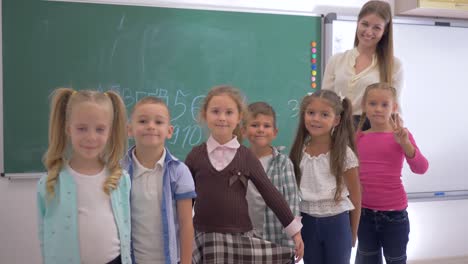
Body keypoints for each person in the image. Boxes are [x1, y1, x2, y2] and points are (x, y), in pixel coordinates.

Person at [186, 85, 304, 263]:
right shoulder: (195, 156)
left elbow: (271, 194)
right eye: (215, 111)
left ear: (239, 117)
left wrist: (294, 231)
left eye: (229, 112)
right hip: (204, 236)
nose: (222, 118)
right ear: (205, 115)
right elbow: (185, 200)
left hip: (239, 236)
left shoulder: (246, 156)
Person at [37, 88, 131, 264]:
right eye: (81, 128)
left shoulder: (121, 179)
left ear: (109, 132)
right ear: (68, 129)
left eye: (100, 129)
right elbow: (44, 234)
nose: (91, 137)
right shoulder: (50, 182)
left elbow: (126, 227)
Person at [355, 83, 429, 264]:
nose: (378, 109)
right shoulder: (358, 137)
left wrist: (405, 143)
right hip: (363, 214)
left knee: (395, 260)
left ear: (394, 107)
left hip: (394, 215)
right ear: (364, 105)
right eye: (372, 103)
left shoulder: (402, 135)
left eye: (384, 104)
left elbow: (421, 168)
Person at [289, 90, 361, 264]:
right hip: (307, 222)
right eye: (311, 113)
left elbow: (356, 196)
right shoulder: (299, 151)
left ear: (336, 120)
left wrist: (353, 232)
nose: (315, 119)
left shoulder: (343, 153)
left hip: (337, 223)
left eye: (324, 114)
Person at [121, 96, 196, 264]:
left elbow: (186, 225)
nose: (150, 126)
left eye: (158, 122)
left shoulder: (179, 171)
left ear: (169, 131)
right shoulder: (119, 171)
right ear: (129, 129)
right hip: (131, 259)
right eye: (142, 121)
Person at [322, 0, 403, 129]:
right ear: (357, 23)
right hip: (337, 132)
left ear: (385, 30)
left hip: (372, 134)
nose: (369, 32)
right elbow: (325, 103)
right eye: (365, 24)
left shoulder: (394, 65)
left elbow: (394, 109)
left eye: (376, 27)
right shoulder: (336, 60)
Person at [242, 102, 300, 248]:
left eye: (266, 126)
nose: (260, 130)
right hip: (244, 238)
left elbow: (291, 203)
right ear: (243, 130)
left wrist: (290, 241)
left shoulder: (282, 163)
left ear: (275, 132)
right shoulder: (238, 161)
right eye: (254, 125)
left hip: (275, 239)